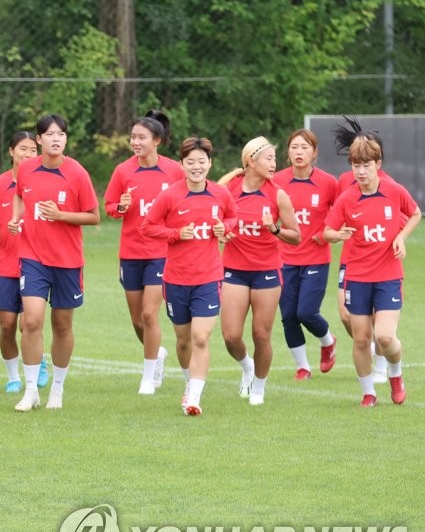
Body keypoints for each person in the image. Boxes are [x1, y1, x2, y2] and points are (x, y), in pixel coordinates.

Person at [323, 131, 420, 407]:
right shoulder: (347, 198)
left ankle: (395, 372)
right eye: (356, 166)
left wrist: (401, 237)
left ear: (378, 164)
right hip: (357, 278)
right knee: (362, 338)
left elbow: (414, 213)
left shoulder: (394, 190)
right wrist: (337, 234)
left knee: (385, 337)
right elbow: (327, 230)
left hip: (388, 276)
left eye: (366, 165)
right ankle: (368, 392)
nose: (361, 171)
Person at [9, 115, 99, 412]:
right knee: (31, 320)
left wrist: (61, 215)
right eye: (49, 134)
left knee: (62, 324)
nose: (55, 139)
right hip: (32, 256)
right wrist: (16, 217)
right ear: (39, 140)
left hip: (67, 261)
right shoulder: (26, 169)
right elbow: (20, 197)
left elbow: (93, 216)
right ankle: (31, 389)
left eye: (61, 134)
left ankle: (57, 389)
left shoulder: (77, 174)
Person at [142, 136, 237, 416]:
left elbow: (233, 217)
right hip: (175, 279)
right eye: (191, 162)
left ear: (210, 163)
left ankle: (194, 398)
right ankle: (188, 382)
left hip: (208, 278)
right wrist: (174, 234)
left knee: (200, 338)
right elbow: (148, 226)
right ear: (182, 164)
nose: (197, 167)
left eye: (202, 161)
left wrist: (224, 227)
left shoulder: (221, 194)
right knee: (183, 341)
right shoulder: (170, 195)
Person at [103, 111, 184, 395]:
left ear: (157, 141)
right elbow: (110, 207)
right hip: (131, 252)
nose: (135, 142)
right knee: (137, 320)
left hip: (161, 252)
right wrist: (121, 207)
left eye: (142, 138)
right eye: (133, 137)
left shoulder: (174, 171)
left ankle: (148, 376)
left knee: (150, 315)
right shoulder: (123, 171)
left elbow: (186, 201)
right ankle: (157, 352)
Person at [217, 138, 300, 406]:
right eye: (268, 158)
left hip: (266, 271)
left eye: (275, 158)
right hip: (234, 270)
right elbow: (214, 219)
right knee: (231, 336)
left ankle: (259, 388)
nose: (274, 163)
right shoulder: (228, 190)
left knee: (261, 334)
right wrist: (222, 232)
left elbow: (296, 236)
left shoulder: (278, 195)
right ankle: (247, 367)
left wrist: (274, 229)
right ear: (250, 161)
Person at [332, 118, 396, 383]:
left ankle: (381, 362)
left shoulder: (388, 185)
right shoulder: (345, 180)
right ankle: (366, 347)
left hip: (380, 262)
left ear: (377, 158)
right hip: (351, 258)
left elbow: (400, 218)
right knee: (347, 315)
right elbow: (336, 214)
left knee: (376, 317)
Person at [272, 129, 340, 380]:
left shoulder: (328, 183)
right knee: (288, 315)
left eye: (304, 147)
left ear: (314, 152)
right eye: (294, 147)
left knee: (306, 312)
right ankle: (302, 366)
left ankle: (327, 340)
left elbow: (340, 212)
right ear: (287, 152)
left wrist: (325, 233)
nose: (299, 152)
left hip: (315, 258)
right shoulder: (276, 181)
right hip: (283, 259)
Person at [0, 131, 49, 393]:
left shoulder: (44, 181)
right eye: (23, 149)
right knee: (7, 324)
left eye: (33, 150)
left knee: (29, 323)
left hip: (36, 262)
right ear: (11, 152)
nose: (28, 154)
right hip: (6, 265)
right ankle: (13, 376)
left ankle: (39, 361)